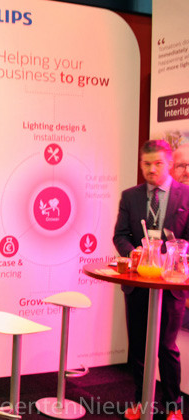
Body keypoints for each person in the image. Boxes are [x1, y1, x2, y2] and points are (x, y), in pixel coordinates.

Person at [113, 139, 189, 420]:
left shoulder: (186, 196)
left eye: (157, 163)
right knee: (138, 349)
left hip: (170, 286)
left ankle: (173, 407)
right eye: (146, 164)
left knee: (167, 348)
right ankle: (141, 402)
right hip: (138, 284)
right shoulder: (130, 196)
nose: (151, 169)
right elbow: (120, 235)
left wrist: (177, 255)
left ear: (169, 164)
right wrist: (132, 252)